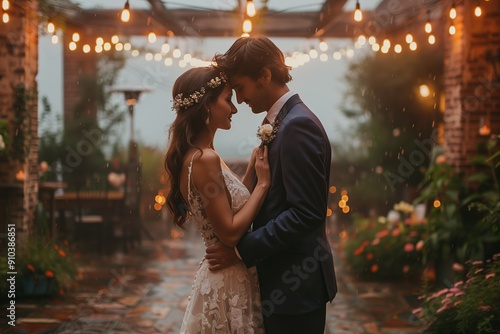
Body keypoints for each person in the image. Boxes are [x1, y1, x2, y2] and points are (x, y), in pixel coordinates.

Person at [207, 36, 338, 333]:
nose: (239, 99)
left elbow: (306, 213)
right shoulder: (286, 122)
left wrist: (241, 251)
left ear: (265, 75)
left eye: (240, 87)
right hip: (284, 283)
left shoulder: (297, 126)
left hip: (295, 287)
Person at [164, 66, 270, 333]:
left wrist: (249, 173)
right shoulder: (204, 160)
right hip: (227, 278)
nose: (234, 109)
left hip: (227, 274)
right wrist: (264, 185)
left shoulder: (202, 153)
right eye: (227, 100)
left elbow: (228, 205)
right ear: (205, 107)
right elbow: (231, 232)